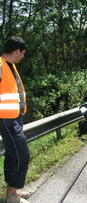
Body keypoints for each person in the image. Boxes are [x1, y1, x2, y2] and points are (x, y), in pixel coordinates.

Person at [0, 36, 31, 203]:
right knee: (22, 153)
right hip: (6, 119)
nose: (23, 56)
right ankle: (12, 196)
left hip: (14, 118)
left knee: (13, 154)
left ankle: (12, 193)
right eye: (23, 53)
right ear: (17, 51)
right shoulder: (0, 65)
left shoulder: (10, 66)